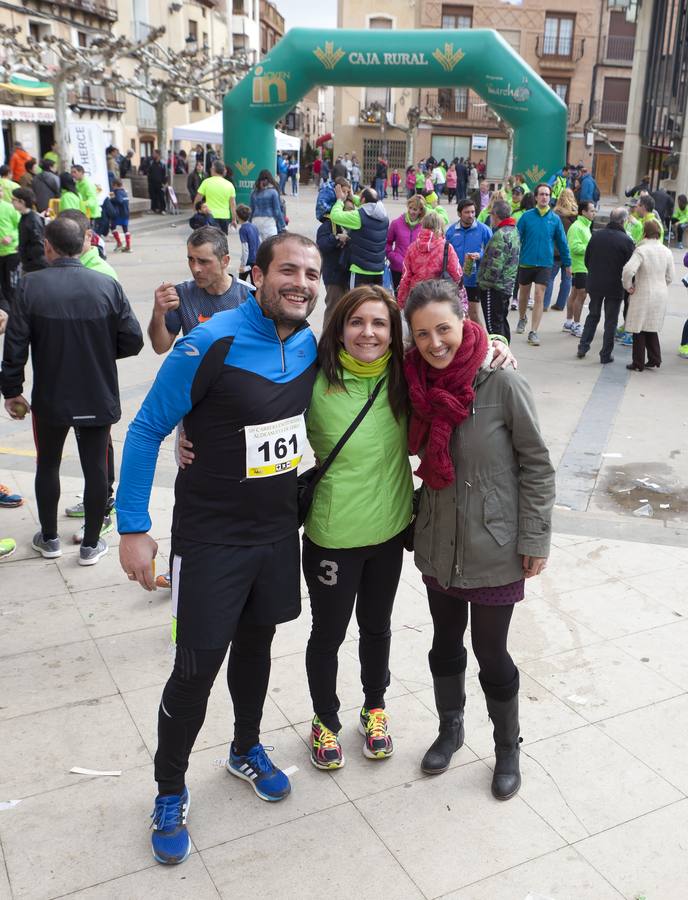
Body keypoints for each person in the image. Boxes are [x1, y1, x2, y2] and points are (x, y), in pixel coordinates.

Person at [116, 232, 321, 865]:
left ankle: (244, 749)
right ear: (256, 274)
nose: (302, 283)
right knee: (196, 669)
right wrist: (132, 526)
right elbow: (148, 426)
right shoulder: (210, 340)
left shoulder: (311, 342)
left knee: (257, 654)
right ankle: (170, 789)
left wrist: (492, 349)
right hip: (210, 537)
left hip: (274, 533)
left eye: (312, 274)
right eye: (288, 270)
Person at [403, 278, 554, 797]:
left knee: (491, 651)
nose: (434, 343)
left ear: (465, 322)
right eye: (422, 334)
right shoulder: (413, 381)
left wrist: (534, 538)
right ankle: (450, 728)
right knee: (445, 642)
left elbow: (537, 464)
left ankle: (507, 747)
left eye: (443, 328)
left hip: (494, 545)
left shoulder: (501, 381)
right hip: (438, 540)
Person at [304, 285, 413, 769]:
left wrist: (497, 341)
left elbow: (457, 350)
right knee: (328, 633)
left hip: (390, 531)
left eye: (380, 323)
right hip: (333, 535)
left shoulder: (406, 377)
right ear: (339, 327)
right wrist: (190, 440)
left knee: (377, 628)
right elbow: (249, 406)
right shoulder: (312, 376)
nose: (368, 332)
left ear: (393, 333)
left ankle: (375, 708)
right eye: (357, 322)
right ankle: (324, 719)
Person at [0, 215, 143, 564]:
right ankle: (91, 544)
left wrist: (12, 390)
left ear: (47, 246)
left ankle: (49, 539)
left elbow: (15, 345)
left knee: (47, 464)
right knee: (95, 467)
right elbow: (134, 340)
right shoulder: (106, 284)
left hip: (51, 397)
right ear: (84, 244)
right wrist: (99, 350)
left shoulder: (30, 286)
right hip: (97, 393)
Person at [577, 207, 635, 364]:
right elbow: (630, 267)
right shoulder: (626, 241)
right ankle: (605, 354)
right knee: (611, 321)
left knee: (593, 315)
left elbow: (587, 259)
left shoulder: (596, 236)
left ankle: (583, 346)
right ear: (623, 221)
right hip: (615, 286)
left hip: (595, 282)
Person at [515, 183, 571, 346]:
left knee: (539, 295)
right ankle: (522, 317)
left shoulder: (555, 219)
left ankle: (534, 332)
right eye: (541, 194)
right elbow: (516, 238)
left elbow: (562, 242)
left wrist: (567, 263)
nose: (544, 197)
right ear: (536, 197)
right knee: (524, 295)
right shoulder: (526, 217)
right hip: (526, 262)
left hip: (546, 263)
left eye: (547, 194)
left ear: (550, 197)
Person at [622, 218, 674, 371]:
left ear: (645, 233)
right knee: (651, 325)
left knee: (638, 328)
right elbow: (671, 276)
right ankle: (655, 359)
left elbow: (628, 270)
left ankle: (638, 363)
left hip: (643, 291)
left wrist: (628, 286)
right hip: (661, 292)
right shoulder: (667, 251)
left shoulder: (641, 250)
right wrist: (661, 284)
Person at [397, 211, 464, 308]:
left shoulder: (412, 247)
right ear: (440, 226)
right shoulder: (446, 247)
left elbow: (405, 277)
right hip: (438, 296)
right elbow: (457, 274)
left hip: (417, 296)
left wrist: (401, 301)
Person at [329, 184, 389, 289]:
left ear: (363, 199)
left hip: (360, 270)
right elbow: (367, 205)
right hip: (378, 271)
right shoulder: (384, 215)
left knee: (356, 303)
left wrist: (339, 200)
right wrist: (352, 196)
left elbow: (335, 216)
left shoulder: (358, 217)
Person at [477, 198, 520, 342]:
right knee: (501, 322)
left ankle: (498, 360)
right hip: (506, 286)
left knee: (493, 328)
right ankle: (505, 352)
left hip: (494, 289)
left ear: (496, 215)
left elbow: (495, 268)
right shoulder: (513, 231)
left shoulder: (500, 235)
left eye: (492, 215)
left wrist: (483, 284)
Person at [446, 198, 492, 324]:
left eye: (473, 212)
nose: (471, 215)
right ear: (459, 213)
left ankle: (483, 341)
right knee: (457, 315)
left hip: (474, 280)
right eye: (467, 212)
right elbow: (445, 254)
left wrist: (480, 255)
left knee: (473, 315)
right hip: (455, 280)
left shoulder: (484, 230)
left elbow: (493, 253)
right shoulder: (451, 231)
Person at [563, 200, 596, 339]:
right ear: (583, 212)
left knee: (575, 293)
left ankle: (569, 322)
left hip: (582, 265)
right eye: (592, 211)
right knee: (581, 295)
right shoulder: (577, 227)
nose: (594, 213)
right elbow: (574, 247)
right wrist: (592, 248)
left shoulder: (584, 225)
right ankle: (576, 324)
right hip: (580, 266)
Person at [543, 188, 577, 312]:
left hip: (556, 251)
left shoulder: (554, 214)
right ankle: (561, 304)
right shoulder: (575, 216)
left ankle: (545, 304)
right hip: (570, 252)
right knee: (567, 279)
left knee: (550, 278)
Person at [385, 194, 425, 292]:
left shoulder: (424, 226)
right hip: (398, 268)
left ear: (420, 210)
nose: (411, 211)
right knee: (396, 299)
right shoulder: (396, 223)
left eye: (415, 209)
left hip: (416, 271)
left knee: (413, 302)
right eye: (410, 208)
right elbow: (387, 243)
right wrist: (393, 257)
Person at [196, 160, 237, 235]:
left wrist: (197, 210)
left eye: (211, 168)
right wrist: (234, 219)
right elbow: (233, 205)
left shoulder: (206, 182)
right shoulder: (229, 185)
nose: (210, 169)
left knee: (211, 239)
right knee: (222, 239)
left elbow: (198, 199)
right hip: (225, 216)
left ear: (214, 169)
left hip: (210, 215)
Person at [12, 188, 47, 273]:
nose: (11, 202)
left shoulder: (32, 220)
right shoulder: (25, 217)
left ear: (22, 202)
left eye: (14, 200)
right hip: (29, 263)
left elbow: (38, 243)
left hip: (34, 266)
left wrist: (25, 250)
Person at [249, 169, 286, 241]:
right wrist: (283, 224)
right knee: (271, 245)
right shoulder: (273, 192)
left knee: (259, 246)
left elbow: (251, 209)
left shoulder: (254, 193)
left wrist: (249, 222)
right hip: (269, 221)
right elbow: (277, 211)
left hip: (255, 221)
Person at [0, 193, 20, 315]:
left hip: (11, 252)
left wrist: (11, 237)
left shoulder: (9, 207)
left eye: (1, 190)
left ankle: (14, 313)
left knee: (11, 285)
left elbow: (19, 226)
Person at [236, 204, 260, 282]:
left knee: (241, 282)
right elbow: (259, 241)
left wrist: (242, 264)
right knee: (254, 283)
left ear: (238, 216)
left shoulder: (242, 229)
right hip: (256, 259)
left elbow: (245, 248)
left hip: (248, 261)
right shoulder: (254, 226)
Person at [109, 179, 131, 252]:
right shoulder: (124, 192)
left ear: (115, 185)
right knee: (125, 229)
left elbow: (119, 200)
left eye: (113, 185)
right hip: (126, 213)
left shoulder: (117, 192)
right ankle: (128, 246)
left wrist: (111, 199)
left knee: (113, 227)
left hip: (119, 213)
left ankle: (119, 243)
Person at [147, 150, 167, 215]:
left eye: (154, 154)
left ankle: (163, 209)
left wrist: (164, 183)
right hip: (152, 183)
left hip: (160, 183)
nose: (153, 155)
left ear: (158, 154)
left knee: (161, 196)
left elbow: (165, 174)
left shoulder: (163, 163)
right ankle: (154, 208)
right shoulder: (151, 163)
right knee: (153, 196)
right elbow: (149, 172)